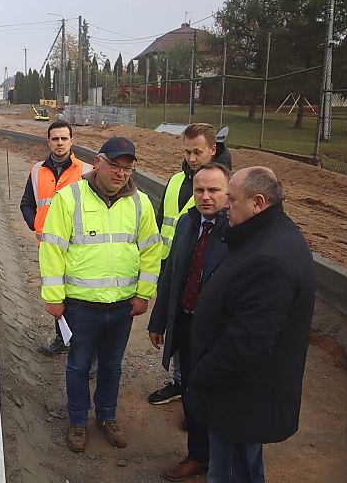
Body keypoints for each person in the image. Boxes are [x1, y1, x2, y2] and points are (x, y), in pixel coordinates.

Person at [186, 166, 315, 483]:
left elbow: (246, 344)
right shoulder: (262, 236)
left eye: (231, 198)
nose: (224, 205)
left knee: (230, 473)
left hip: (239, 399)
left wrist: (200, 375)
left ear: (258, 202)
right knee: (241, 465)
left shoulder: (270, 259)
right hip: (240, 395)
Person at [39, 136, 161, 453]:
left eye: (127, 168)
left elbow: (151, 251)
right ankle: (78, 420)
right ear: (98, 162)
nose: (121, 173)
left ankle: (106, 416)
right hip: (81, 306)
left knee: (111, 365)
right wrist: (54, 297)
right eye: (115, 166)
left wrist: (143, 293)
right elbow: (52, 249)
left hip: (121, 307)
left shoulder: (140, 202)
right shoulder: (70, 199)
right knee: (78, 366)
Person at [147, 163, 230, 481]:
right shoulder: (186, 223)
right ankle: (198, 456)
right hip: (185, 323)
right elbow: (172, 275)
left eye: (214, 190)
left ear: (227, 193)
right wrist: (159, 320)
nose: (206, 197)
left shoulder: (234, 230)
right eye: (199, 190)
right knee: (192, 394)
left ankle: (223, 462)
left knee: (218, 398)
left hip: (219, 333)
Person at [148, 122, 232, 407]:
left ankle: (198, 398)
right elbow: (163, 223)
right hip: (174, 267)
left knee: (205, 342)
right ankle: (182, 384)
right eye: (187, 152)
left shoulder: (227, 188)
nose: (192, 158)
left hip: (206, 281)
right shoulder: (175, 181)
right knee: (180, 332)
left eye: (198, 152)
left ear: (213, 149)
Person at [20, 120, 91, 356]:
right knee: (56, 293)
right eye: (55, 139)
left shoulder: (86, 171)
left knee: (83, 299)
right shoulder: (37, 170)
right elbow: (27, 204)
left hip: (79, 248)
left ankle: (89, 352)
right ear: (48, 141)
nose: (59, 143)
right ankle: (62, 338)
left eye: (64, 138)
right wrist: (36, 223)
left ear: (72, 140)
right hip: (49, 248)